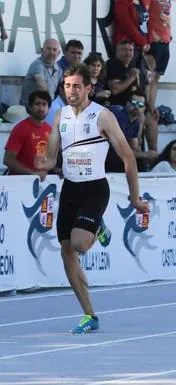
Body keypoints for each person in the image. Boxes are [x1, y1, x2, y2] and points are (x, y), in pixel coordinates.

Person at [35, 64, 149, 334]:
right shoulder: (60, 115)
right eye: (67, 85)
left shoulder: (103, 116)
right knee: (66, 251)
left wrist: (135, 198)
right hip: (71, 189)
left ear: (89, 88)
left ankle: (97, 226)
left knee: (80, 244)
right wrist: (44, 164)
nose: (71, 91)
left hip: (95, 188)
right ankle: (90, 315)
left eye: (76, 86)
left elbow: (128, 157)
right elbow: (52, 156)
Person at [4, 91, 54, 177]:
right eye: (37, 104)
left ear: (49, 108)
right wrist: (33, 174)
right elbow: (8, 160)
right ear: (30, 107)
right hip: (19, 183)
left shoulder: (50, 129)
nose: (41, 108)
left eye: (44, 104)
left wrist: (57, 169)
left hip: (41, 183)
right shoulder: (21, 128)